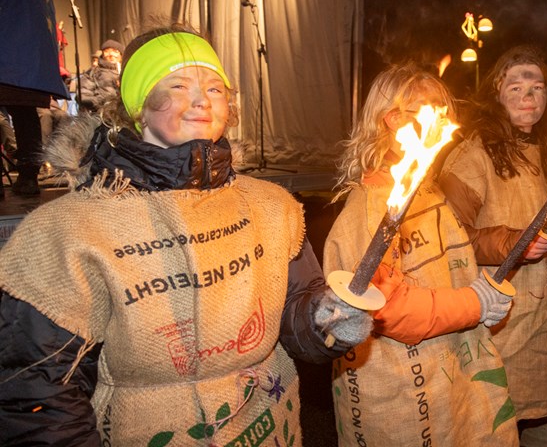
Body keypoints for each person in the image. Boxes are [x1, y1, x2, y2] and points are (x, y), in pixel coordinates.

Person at [0, 24, 380, 446]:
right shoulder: (67, 232)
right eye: (179, 84)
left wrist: (324, 319)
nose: (203, 99)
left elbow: (296, 311)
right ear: (138, 105)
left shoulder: (272, 207)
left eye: (216, 88)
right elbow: (38, 394)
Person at [323, 63, 519, 445]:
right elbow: (385, 308)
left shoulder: (428, 192)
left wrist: (482, 288)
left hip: (449, 377)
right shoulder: (367, 211)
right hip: (406, 394)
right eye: (430, 110)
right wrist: (473, 303)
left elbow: (447, 264)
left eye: (444, 110)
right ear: (392, 121)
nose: (443, 122)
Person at [439, 44, 547, 444]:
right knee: (492, 418)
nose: (529, 98)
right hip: (499, 318)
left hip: (544, 313)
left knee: (531, 419)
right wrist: (514, 242)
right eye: (516, 87)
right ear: (497, 93)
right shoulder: (472, 157)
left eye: (538, 87)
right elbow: (450, 239)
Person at [0, 0, 69, 196]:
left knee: (25, 113)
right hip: (28, 55)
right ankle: (29, 177)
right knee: (25, 113)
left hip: (6, 48)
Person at [77, 39, 124, 113]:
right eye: (106, 51)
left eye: (115, 51)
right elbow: (83, 95)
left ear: (121, 55)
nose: (111, 54)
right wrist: (101, 105)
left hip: (125, 115)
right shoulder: (94, 72)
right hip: (102, 115)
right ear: (102, 54)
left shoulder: (127, 71)